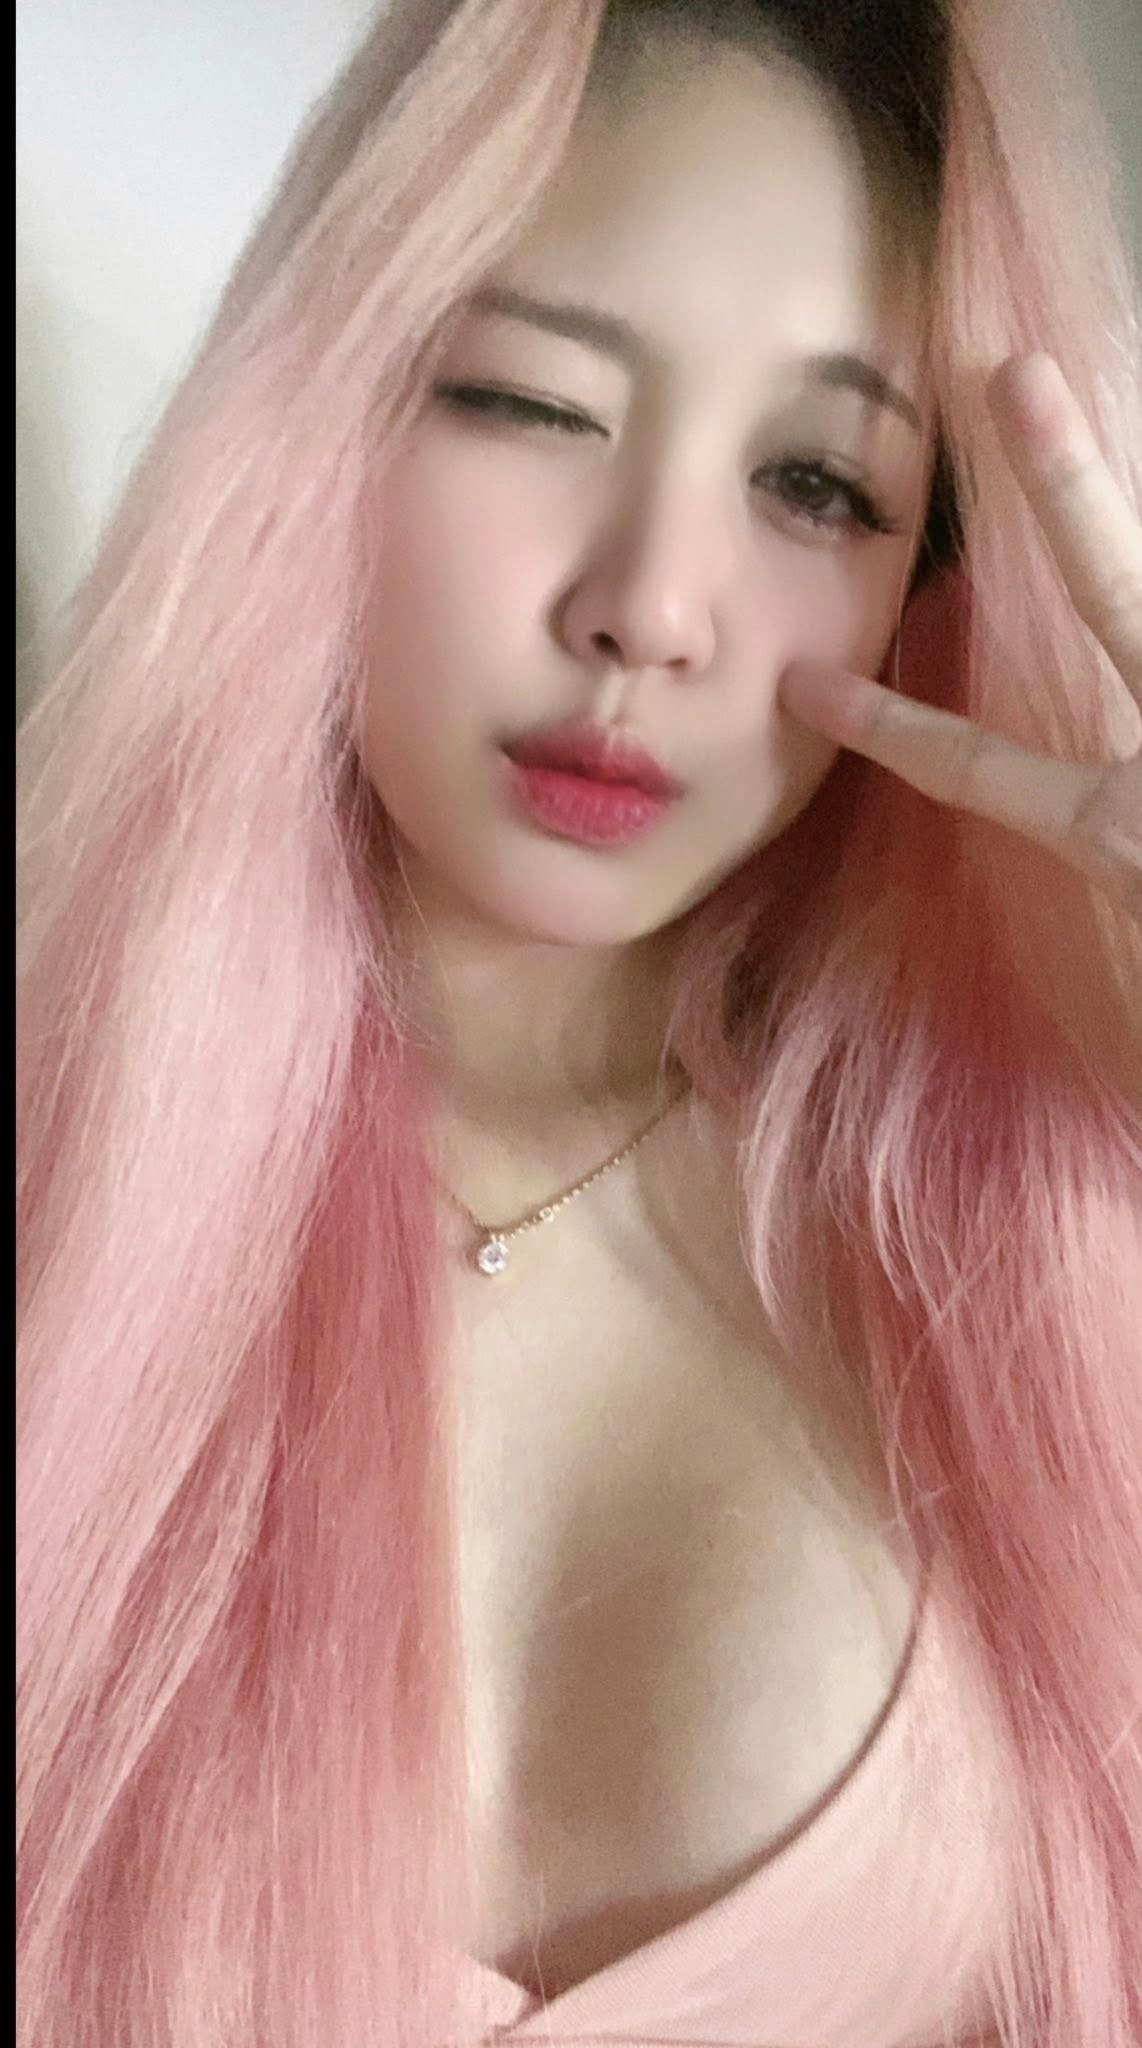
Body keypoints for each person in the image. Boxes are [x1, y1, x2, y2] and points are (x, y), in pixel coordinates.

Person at [15, 2, 1142, 2045]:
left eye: (815, 479)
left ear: (930, 591)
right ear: (318, 421)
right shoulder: (58, 1180)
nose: (651, 606)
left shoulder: (1054, 1217)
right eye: (536, 403)